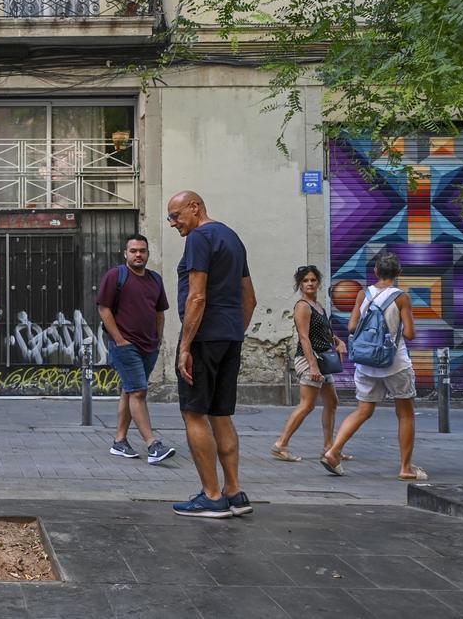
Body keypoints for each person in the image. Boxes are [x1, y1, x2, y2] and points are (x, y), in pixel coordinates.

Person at [168, 190, 257, 518]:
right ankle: (234, 492)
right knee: (221, 414)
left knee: (194, 413)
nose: (174, 223)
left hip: (203, 336)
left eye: (176, 216)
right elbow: (250, 299)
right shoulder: (232, 238)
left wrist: (185, 346)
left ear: (195, 207)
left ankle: (211, 495)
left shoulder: (199, 237)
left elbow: (197, 297)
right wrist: (235, 332)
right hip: (230, 336)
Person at [321, 251, 425, 480]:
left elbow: (351, 327)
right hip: (395, 362)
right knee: (405, 413)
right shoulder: (401, 297)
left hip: (367, 363)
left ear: (375, 271)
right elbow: (409, 333)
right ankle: (406, 468)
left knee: (363, 410)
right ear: (399, 273)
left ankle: (333, 451)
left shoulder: (362, 294)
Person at [96, 234, 176, 464]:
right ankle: (153, 445)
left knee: (130, 390)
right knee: (139, 391)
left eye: (142, 250)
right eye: (133, 251)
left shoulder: (155, 280)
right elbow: (104, 308)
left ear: (148, 254)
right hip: (125, 345)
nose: (138, 254)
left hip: (149, 345)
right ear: (125, 253)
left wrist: (158, 339)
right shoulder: (116, 276)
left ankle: (120, 441)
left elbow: (160, 312)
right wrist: (119, 339)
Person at [270, 265, 348, 462]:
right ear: (300, 285)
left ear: (318, 283)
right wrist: (312, 366)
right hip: (309, 359)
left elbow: (323, 333)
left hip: (324, 359)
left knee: (332, 402)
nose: (310, 283)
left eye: (313, 280)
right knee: (307, 405)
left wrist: (337, 341)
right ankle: (281, 445)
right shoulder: (303, 306)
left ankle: (329, 447)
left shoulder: (318, 306)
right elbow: (304, 338)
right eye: (305, 281)